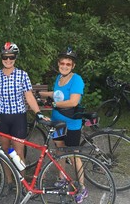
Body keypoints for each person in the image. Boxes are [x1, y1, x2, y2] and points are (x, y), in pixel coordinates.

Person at [0, 42, 46, 188]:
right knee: (4, 151)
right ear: (1, 58)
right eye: (5, 57)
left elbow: (29, 96)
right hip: (2, 117)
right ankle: (8, 182)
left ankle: (21, 182)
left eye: (11, 57)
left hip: (18, 117)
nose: (8, 60)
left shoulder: (22, 75)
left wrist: (38, 113)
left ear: (15, 58)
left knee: (19, 151)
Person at [39, 47, 87, 203]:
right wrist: (44, 94)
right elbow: (57, 93)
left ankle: (82, 187)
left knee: (74, 155)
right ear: (59, 64)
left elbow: (73, 101)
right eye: (62, 63)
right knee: (60, 151)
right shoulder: (59, 78)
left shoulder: (76, 79)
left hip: (71, 123)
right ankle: (63, 180)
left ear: (73, 66)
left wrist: (54, 103)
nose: (64, 66)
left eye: (68, 64)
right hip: (57, 121)